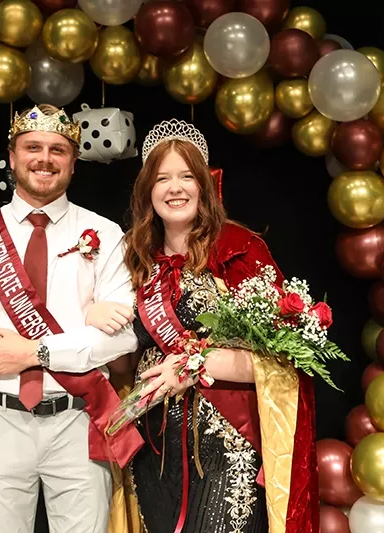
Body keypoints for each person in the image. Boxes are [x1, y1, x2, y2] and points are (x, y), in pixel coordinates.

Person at [87, 119, 319, 533]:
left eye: (186, 176)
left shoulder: (240, 249)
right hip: (155, 447)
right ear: (148, 190)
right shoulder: (131, 257)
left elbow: (283, 362)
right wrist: (91, 315)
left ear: (204, 185)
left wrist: (196, 364)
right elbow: (121, 361)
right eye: (162, 179)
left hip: (227, 444)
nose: (175, 188)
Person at [0, 103, 145, 533]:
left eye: (57, 150)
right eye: (32, 147)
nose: (44, 159)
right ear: (12, 157)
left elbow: (122, 341)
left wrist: (35, 353)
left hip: (77, 416)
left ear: (73, 162)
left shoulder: (104, 234)